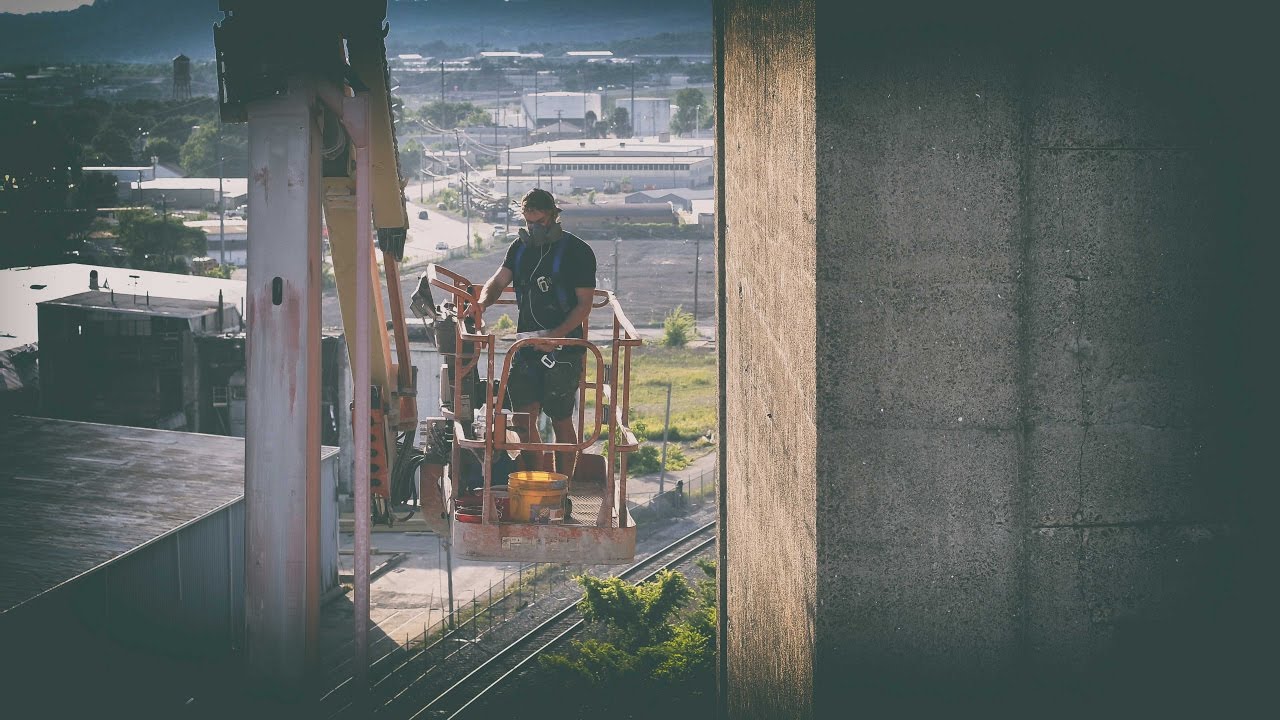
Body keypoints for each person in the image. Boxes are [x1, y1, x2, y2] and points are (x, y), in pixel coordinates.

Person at [478, 188, 596, 480]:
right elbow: (498, 281)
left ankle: (563, 486)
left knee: (560, 418)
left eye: (540, 222)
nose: (534, 229)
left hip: (565, 348)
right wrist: (480, 304)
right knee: (522, 418)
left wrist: (556, 336)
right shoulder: (519, 249)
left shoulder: (577, 252)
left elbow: (584, 305)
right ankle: (536, 482)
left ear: (554, 217)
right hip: (527, 346)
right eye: (529, 222)